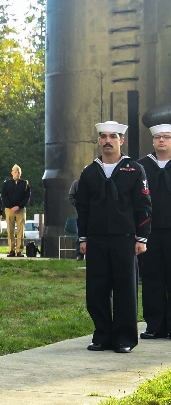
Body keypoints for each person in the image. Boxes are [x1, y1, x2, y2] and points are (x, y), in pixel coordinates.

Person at [75, 121, 151, 353]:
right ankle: (102, 335)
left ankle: (124, 338)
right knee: (96, 289)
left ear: (122, 140)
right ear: (98, 140)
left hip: (124, 238)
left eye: (113, 136)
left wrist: (141, 238)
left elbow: (144, 206)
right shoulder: (89, 172)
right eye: (104, 136)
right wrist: (83, 238)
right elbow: (83, 209)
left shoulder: (135, 169)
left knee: (125, 288)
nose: (108, 140)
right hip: (96, 239)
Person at [137, 124, 171, 339]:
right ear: (152, 141)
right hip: (149, 234)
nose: (162, 141)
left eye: (166, 137)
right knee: (152, 279)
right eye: (158, 137)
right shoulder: (140, 167)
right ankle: (154, 325)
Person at [1, 164, 31, 257]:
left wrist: (19, 206)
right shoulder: (6, 183)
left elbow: (27, 197)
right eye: (15, 172)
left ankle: (19, 250)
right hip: (9, 209)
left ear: (21, 173)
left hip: (21, 210)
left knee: (21, 231)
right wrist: (11, 206)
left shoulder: (25, 183)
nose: (17, 174)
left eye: (18, 172)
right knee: (10, 231)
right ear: (12, 173)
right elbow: (4, 196)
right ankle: (11, 250)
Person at [68, 179, 83, 260]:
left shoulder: (95, 182)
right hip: (81, 212)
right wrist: (77, 205)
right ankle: (79, 254)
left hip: (95, 212)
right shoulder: (76, 183)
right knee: (79, 232)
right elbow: (71, 196)